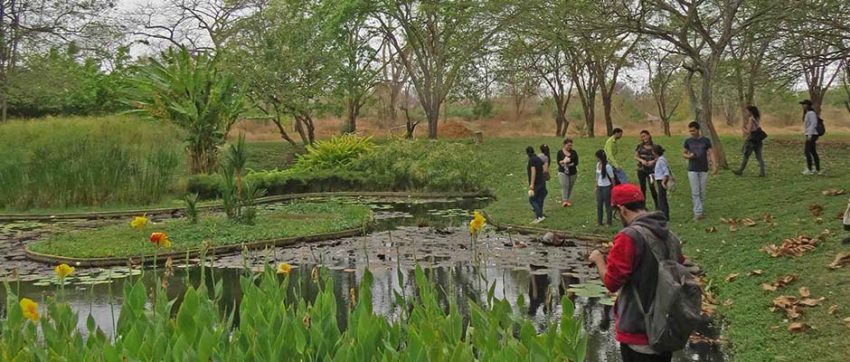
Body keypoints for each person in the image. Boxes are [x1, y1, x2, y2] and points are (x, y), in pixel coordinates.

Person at [588, 183, 687, 362]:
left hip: (639, 332)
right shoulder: (671, 237)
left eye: (617, 213)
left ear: (622, 209)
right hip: (666, 329)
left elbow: (611, 282)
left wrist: (598, 260)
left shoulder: (628, 237)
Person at [683, 121, 716, 221]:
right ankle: (698, 212)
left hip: (703, 168)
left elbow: (711, 153)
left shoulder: (705, 140)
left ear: (698, 130)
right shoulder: (688, 141)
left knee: (702, 191)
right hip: (692, 169)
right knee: (695, 191)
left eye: (693, 130)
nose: (691, 132)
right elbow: (684, 153)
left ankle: (700, 209)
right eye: (690, 131)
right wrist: (689, 156)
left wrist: (714, 165)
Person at [732, 106, 766, 177]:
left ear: (751, 112)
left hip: (751, 140)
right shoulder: (757, 118)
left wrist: (743, 128)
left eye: (747, 111)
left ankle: (740, 171)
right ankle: (762, 172)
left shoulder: (751, 119)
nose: (746, 113)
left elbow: (748, 131)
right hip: (758, 140)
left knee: (746, 156)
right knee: (759, 157)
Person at [634, 130, 659, 208]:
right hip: (641, 170)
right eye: (642, 137)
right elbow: (636, 156)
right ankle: (643, 206)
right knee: (642, 188)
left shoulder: (654, 146)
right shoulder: (639, 146)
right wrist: (642, 160)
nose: (643, 138)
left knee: (652, 187)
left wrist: (652, 161)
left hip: (651, 170)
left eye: (645, 136)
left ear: (649, 135)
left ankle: (657, 205)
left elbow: (658, 157)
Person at [800, 99, 822, 175]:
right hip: (810, 134)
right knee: (813, 151)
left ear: (808, 105)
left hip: (812, 134)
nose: (803, 106)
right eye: (802, 104)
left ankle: (809, 169)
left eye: (804, 104)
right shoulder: (807, 113)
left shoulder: (811, 113)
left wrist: (809, 135)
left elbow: (813, 124)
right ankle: (817, 169)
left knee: (807, 151)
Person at [526, 146, 547, 223]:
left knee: (532, 199)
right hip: (542, 181)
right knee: (539, 199)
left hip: (536, 183)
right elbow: (544, 168)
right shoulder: (538, 158)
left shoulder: (531, 160)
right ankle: (539, 216)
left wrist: (531, 184)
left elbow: (533, 172)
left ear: (527, 153)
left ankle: (539, 216)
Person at [595, 149, 616, 226]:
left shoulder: (608, 167)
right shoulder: (597, 164)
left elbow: (612, 178)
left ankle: (608, 222)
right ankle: (599, 222)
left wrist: (613, 188)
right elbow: (597, 176)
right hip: (600, 187)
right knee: (599, 205)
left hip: (607, 187)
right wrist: (596, 185)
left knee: (607, 205)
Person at [556, 139, 579, 207]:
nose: (570, 146)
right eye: (568, 145)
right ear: (564, 145)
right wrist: (563, 162)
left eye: (571, 145)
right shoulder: (560, 152)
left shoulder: (574, 152)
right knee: (565, 186)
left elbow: (576, 162)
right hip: (563, 172)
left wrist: (570, 164)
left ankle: (567, 199)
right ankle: (564, 201)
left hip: (572, 172)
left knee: (570, 186)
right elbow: (558, 162)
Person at [653, 145, 671, 221]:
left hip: (661, 181)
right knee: (662, 198)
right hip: (659, 180)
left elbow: (666, 172)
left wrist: (663, 182)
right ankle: (664, 215)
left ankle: (664, 216)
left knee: (662, 199)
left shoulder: (661, 161)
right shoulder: (660, 159)